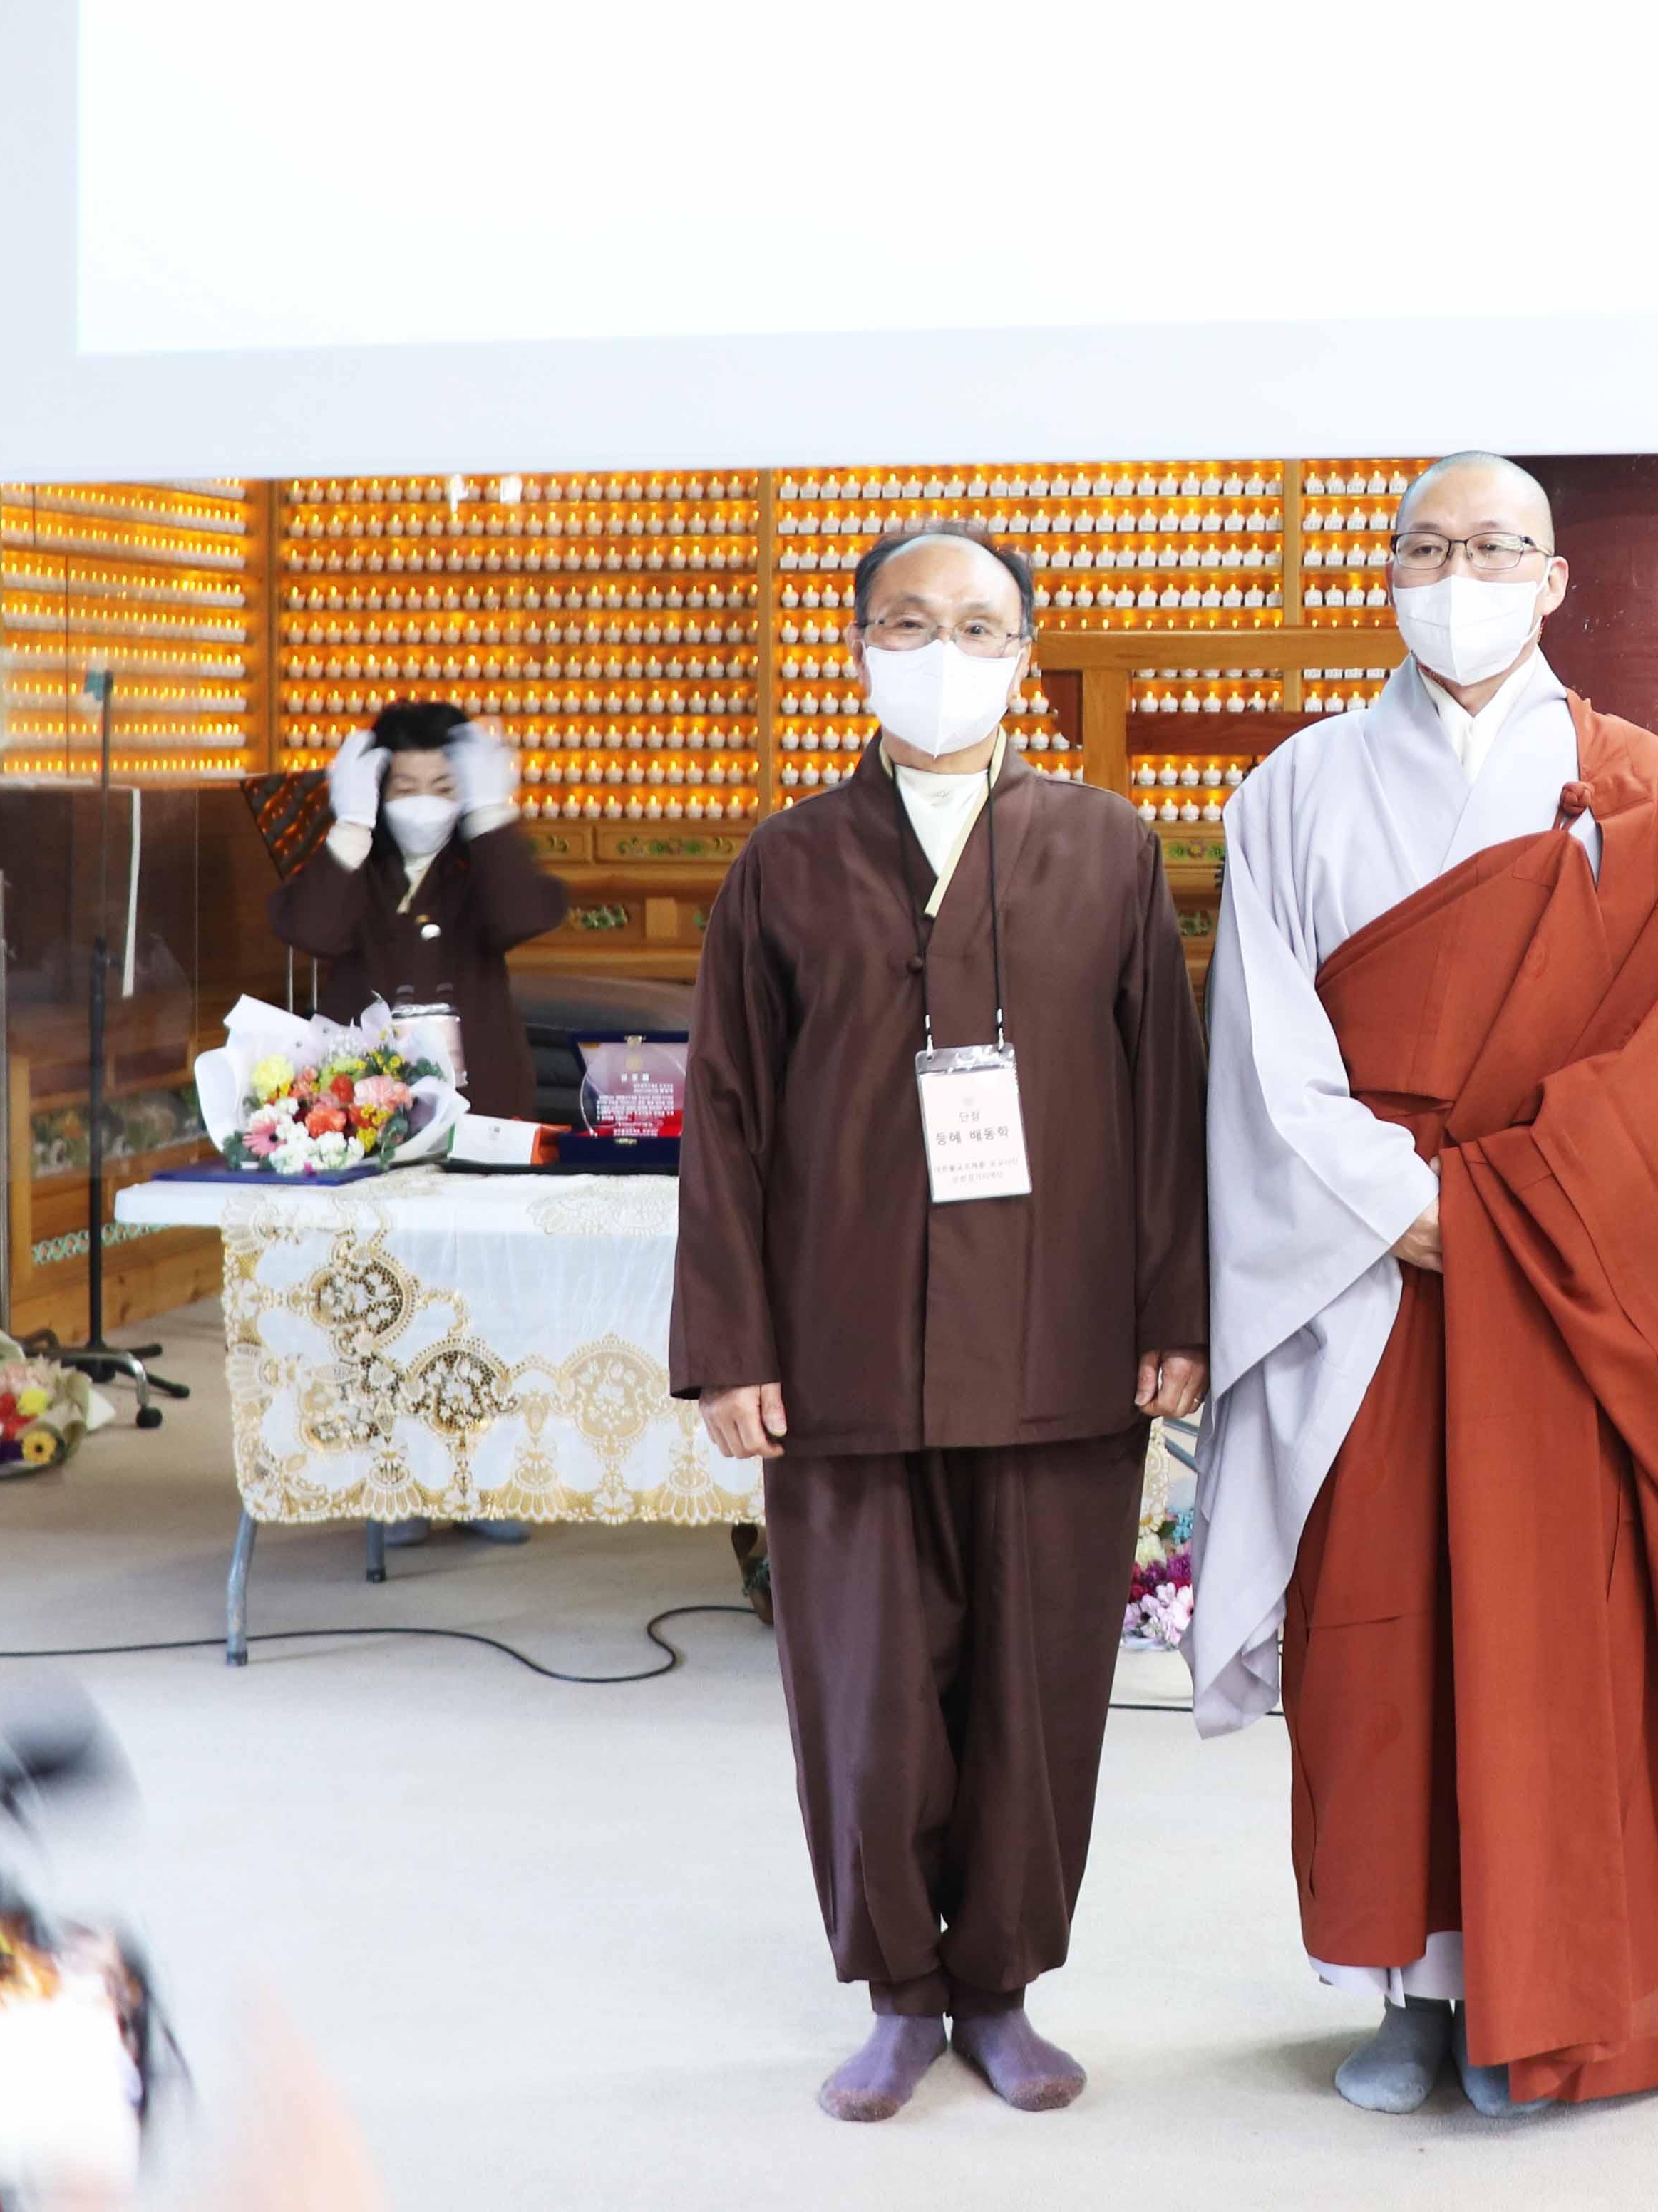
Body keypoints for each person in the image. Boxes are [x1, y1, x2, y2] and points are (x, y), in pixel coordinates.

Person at [1190, 453, 1658, 2117]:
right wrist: (1402, 1205)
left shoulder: (1639, 787)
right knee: (1376, 1637)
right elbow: (1262, 1046)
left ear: (1554, 578)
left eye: (1496, 545)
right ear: (1390, 570)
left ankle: (1549, 1985)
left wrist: (1510, 1205)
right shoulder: (1295, 787)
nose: (1462, 573)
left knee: (1556, 1635)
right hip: (1371, 1277)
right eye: (1431, 546)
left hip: (1566, 1286)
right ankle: (1404, 1987)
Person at [669, 523, 1208, 2124]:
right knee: (869, 1693)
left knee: (1035, 1692)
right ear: (858, 647)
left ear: (1024, 658)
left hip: (1059, 1344)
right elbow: (729, 1115)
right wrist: (733, 1343)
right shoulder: (783, 862)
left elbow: (1163, 1095)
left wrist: (1175, 1308)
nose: (943, 651)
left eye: (978, 626)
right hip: (839, 1351)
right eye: (908, 623)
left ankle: (1005, 1986)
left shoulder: (1106, 846)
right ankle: (902, 1992)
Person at [270, 698, 567, 1547]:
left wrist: (492, 812)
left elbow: (527, 913)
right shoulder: (354, 863)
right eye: (405, 783)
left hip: (482, 1109)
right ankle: (391, 1476)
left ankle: (477, 1470)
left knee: (480, 1294)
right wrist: (351, 827)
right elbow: (310, 927)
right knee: (382, 1292)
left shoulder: (480, 871)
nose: (425, 799)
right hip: (367, 1113)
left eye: (446, 782)